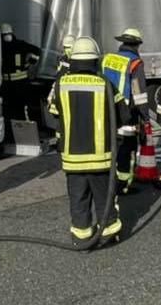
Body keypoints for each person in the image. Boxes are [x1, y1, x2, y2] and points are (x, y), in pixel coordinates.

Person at [48, 37, 123, 246]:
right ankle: (108, 233)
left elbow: (54, 113)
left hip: (73, 157)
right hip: (102, 158)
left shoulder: (61, 84)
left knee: (78, 198)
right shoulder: (106, 84)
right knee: (104, 197)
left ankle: (81, 237)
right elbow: (124, 115)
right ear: (95, 60)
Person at [102, 28, 148, 193]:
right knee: (126, 149)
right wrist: (145, 117)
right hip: (127, 113)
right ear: (137, 45)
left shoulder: (108, 58)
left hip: (107, 109)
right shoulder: (135, 63)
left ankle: (109, 181)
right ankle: (122, 186)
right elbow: (138, 92)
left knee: (111, 145)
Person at [0, 23, 41, 122]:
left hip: (16, 84)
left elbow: (37, 51)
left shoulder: (7, 46)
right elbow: (37, 51)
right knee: (11, 111)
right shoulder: (17, 45)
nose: (7, 36)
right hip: (11, 84)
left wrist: (29, 63)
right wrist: (30, 63)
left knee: (16, 110)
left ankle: (19, 131)